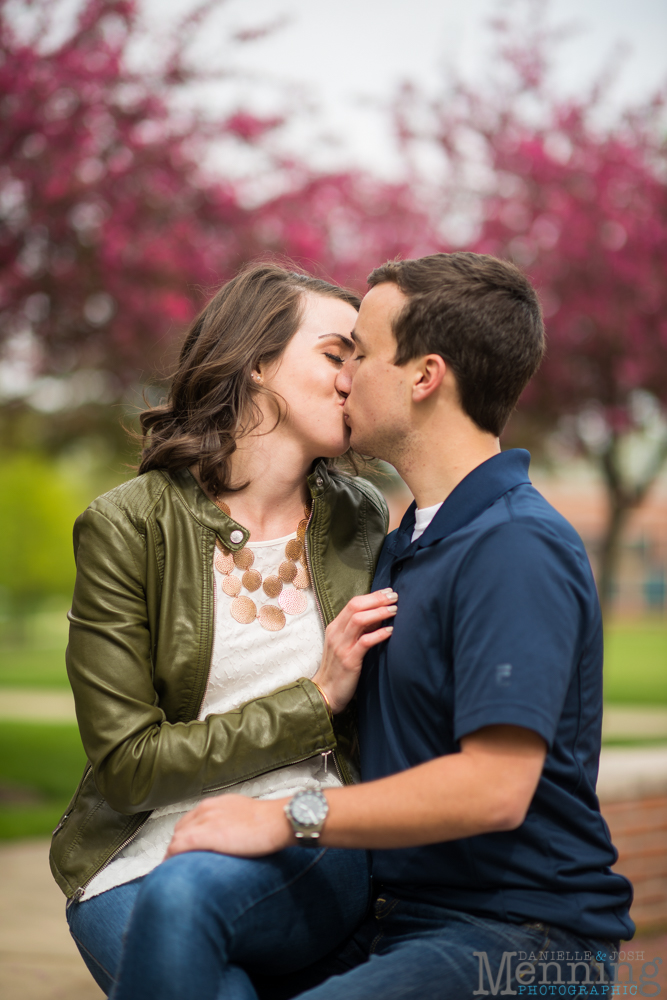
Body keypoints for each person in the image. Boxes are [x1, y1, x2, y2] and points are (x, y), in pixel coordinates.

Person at [111, 252, 633, 1000]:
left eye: (359, 352)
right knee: (176, 909)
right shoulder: (404, 543)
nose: (344, 375)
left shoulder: (514, 545)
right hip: (394, 920)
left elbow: (494, 789)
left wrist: (290, 817)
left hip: (522, 942)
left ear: (423, 377)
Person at [49, 262, 395, 997]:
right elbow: (130, 766)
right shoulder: (127, 525)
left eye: (361, 360)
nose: (354, 378)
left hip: (308, 834)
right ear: (256, 362)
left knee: (189, 907)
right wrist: (314, 700)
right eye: (337, 354)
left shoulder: (361, 517)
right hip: (133, 862)